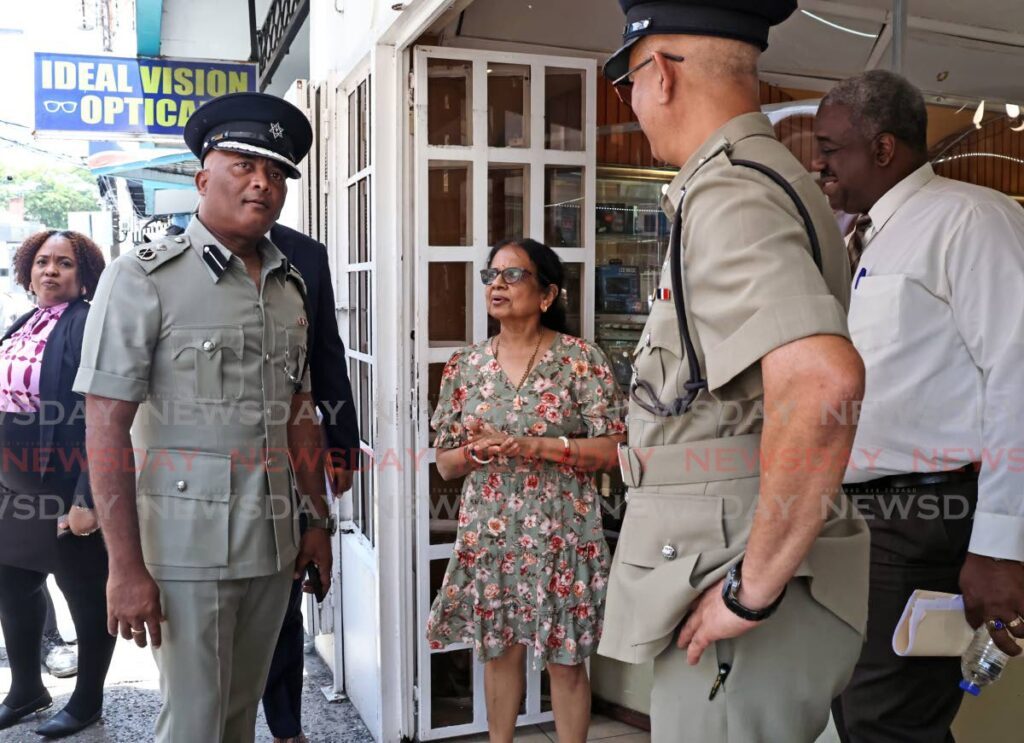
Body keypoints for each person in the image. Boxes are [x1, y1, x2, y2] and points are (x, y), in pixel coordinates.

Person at [598, 2, 871, 741]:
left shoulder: (730, 191)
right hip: (732, 561)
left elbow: (823, 381)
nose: (632, 101)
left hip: (736, 581)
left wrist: (750, 592)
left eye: (627, 81)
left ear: (658, 73)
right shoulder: (749, 177)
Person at [74, 92, 334, 743]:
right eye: (244, 163)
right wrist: (124, 566)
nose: (261, 182)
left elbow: (299, 410)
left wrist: (316, 518)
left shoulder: (288, 284)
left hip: (272, 540)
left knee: (238, 717)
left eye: (276, 171)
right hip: (186, 548)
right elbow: (106, 425)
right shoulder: (143, 278)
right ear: (202, 176)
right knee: (193, 723)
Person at [813, 70, 1024, 743]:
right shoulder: (858, 240)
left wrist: (999, 545)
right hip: (855, 518)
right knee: (863, 714)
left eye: (829, 148)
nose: (818, 163)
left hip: (925, 517)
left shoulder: (971, 221)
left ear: (882, 149)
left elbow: (1017, 375)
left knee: (887, 721)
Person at [427, 238, 626, 743]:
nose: (497, 284)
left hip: (564, 528)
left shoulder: (580, 359)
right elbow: (446, 463)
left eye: (513, 275)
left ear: (546, 294)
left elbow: (612, 451)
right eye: (491, 275)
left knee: (565, 660)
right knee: (499, 653)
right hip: (492, 530)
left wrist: (532, 446)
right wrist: (479, 453)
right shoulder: (465, 366)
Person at [0, 229, 114, 737]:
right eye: (43, 262)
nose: (50, 271)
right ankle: (27, 689)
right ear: (28, 270)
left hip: (64, 475)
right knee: (13, 580)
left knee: (83, 590)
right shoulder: (23, 322)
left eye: (64, 263)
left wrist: (88, 496)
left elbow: (104, 415)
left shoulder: (88, 324)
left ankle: (87, 698)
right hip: (13, 476)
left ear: (83, 275)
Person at [262, 222, 360, 743]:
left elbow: (326, 352)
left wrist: (341, 444)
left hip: (289, 445)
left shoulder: (304, 253)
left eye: (272, 173)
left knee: (284, 589)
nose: (258, 184)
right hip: (202, 464)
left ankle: (285, 728)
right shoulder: (172, 253)